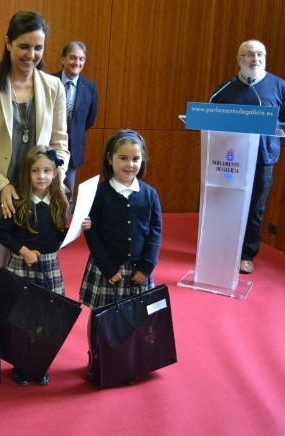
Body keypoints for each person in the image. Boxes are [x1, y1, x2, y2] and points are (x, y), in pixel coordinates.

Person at [0, 10, 69, 296]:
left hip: (37, 194)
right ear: (8, 43)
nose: (31, 54)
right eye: (24, 46)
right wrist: (2, 186)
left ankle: (24, 333)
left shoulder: (54, 87)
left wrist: (54, 178)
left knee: (32, 267)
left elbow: (60, 144)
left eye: (38, 47)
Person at [0, 146, 90, 386]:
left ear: (55, 173)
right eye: (35, 171)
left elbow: (58, 238)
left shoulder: (59, 200)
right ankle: (20, 364)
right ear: (26, 173)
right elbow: (2, 234)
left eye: (47, 171)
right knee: (22, 316)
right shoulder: (18, 201)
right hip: (22, 263)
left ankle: (40, 362)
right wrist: (23, 250)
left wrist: (78, 228)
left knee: (49, 316)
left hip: (49, 265)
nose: (41, 176)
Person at [79, 130, 162, 378]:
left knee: (134, 318)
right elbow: (91, 233)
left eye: (135, 159)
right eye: (123, 158)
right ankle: (98, 360)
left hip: (137, 271)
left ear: (143, 160)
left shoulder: (149, 194)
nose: (130, 164)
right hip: (108, 269)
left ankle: (130, 361)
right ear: (110, 159)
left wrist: (146, 267)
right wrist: (107, 267)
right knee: (101, 317)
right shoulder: (99, 193)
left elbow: (155, 232)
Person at [210, 40, 285, 274]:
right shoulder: (225, 87)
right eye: (249, 54)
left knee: (255, 209)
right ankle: (221, 249)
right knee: (226, 204)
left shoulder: (280, 87)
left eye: (260, 54)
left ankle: (246, 255)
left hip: (263, 159)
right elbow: (209, 119)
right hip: (229, 159)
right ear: (239, 59)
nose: (255, 59)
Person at [51, 41, 98, 217]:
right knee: (43, 186)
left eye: (81, 59)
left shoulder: (90, 87)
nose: (76, 62)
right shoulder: (49, 81)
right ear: (63, 59)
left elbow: (90, 119)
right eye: (72, 58)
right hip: (47, 144)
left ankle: (61, 227)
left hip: (72, 149)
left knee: (67, 191)